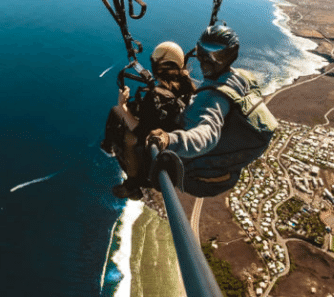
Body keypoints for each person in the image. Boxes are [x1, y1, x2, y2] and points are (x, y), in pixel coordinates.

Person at [147, 24, 278, 198]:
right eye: (202, 53)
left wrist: (169, 139)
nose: (206, 61)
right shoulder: (241, 77)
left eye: (216, 55)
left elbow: (206, 135)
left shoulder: (212, 99)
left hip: (200, 179)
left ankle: (132, 185)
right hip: (225, 171)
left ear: (230, 56)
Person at [102, 41, 196, 199]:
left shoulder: (156, 96)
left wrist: (122, 106)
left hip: (151, 166)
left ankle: (131, 183)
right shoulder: (187, 89)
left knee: (124, 128)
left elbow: (142, 133)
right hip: (171, 155)